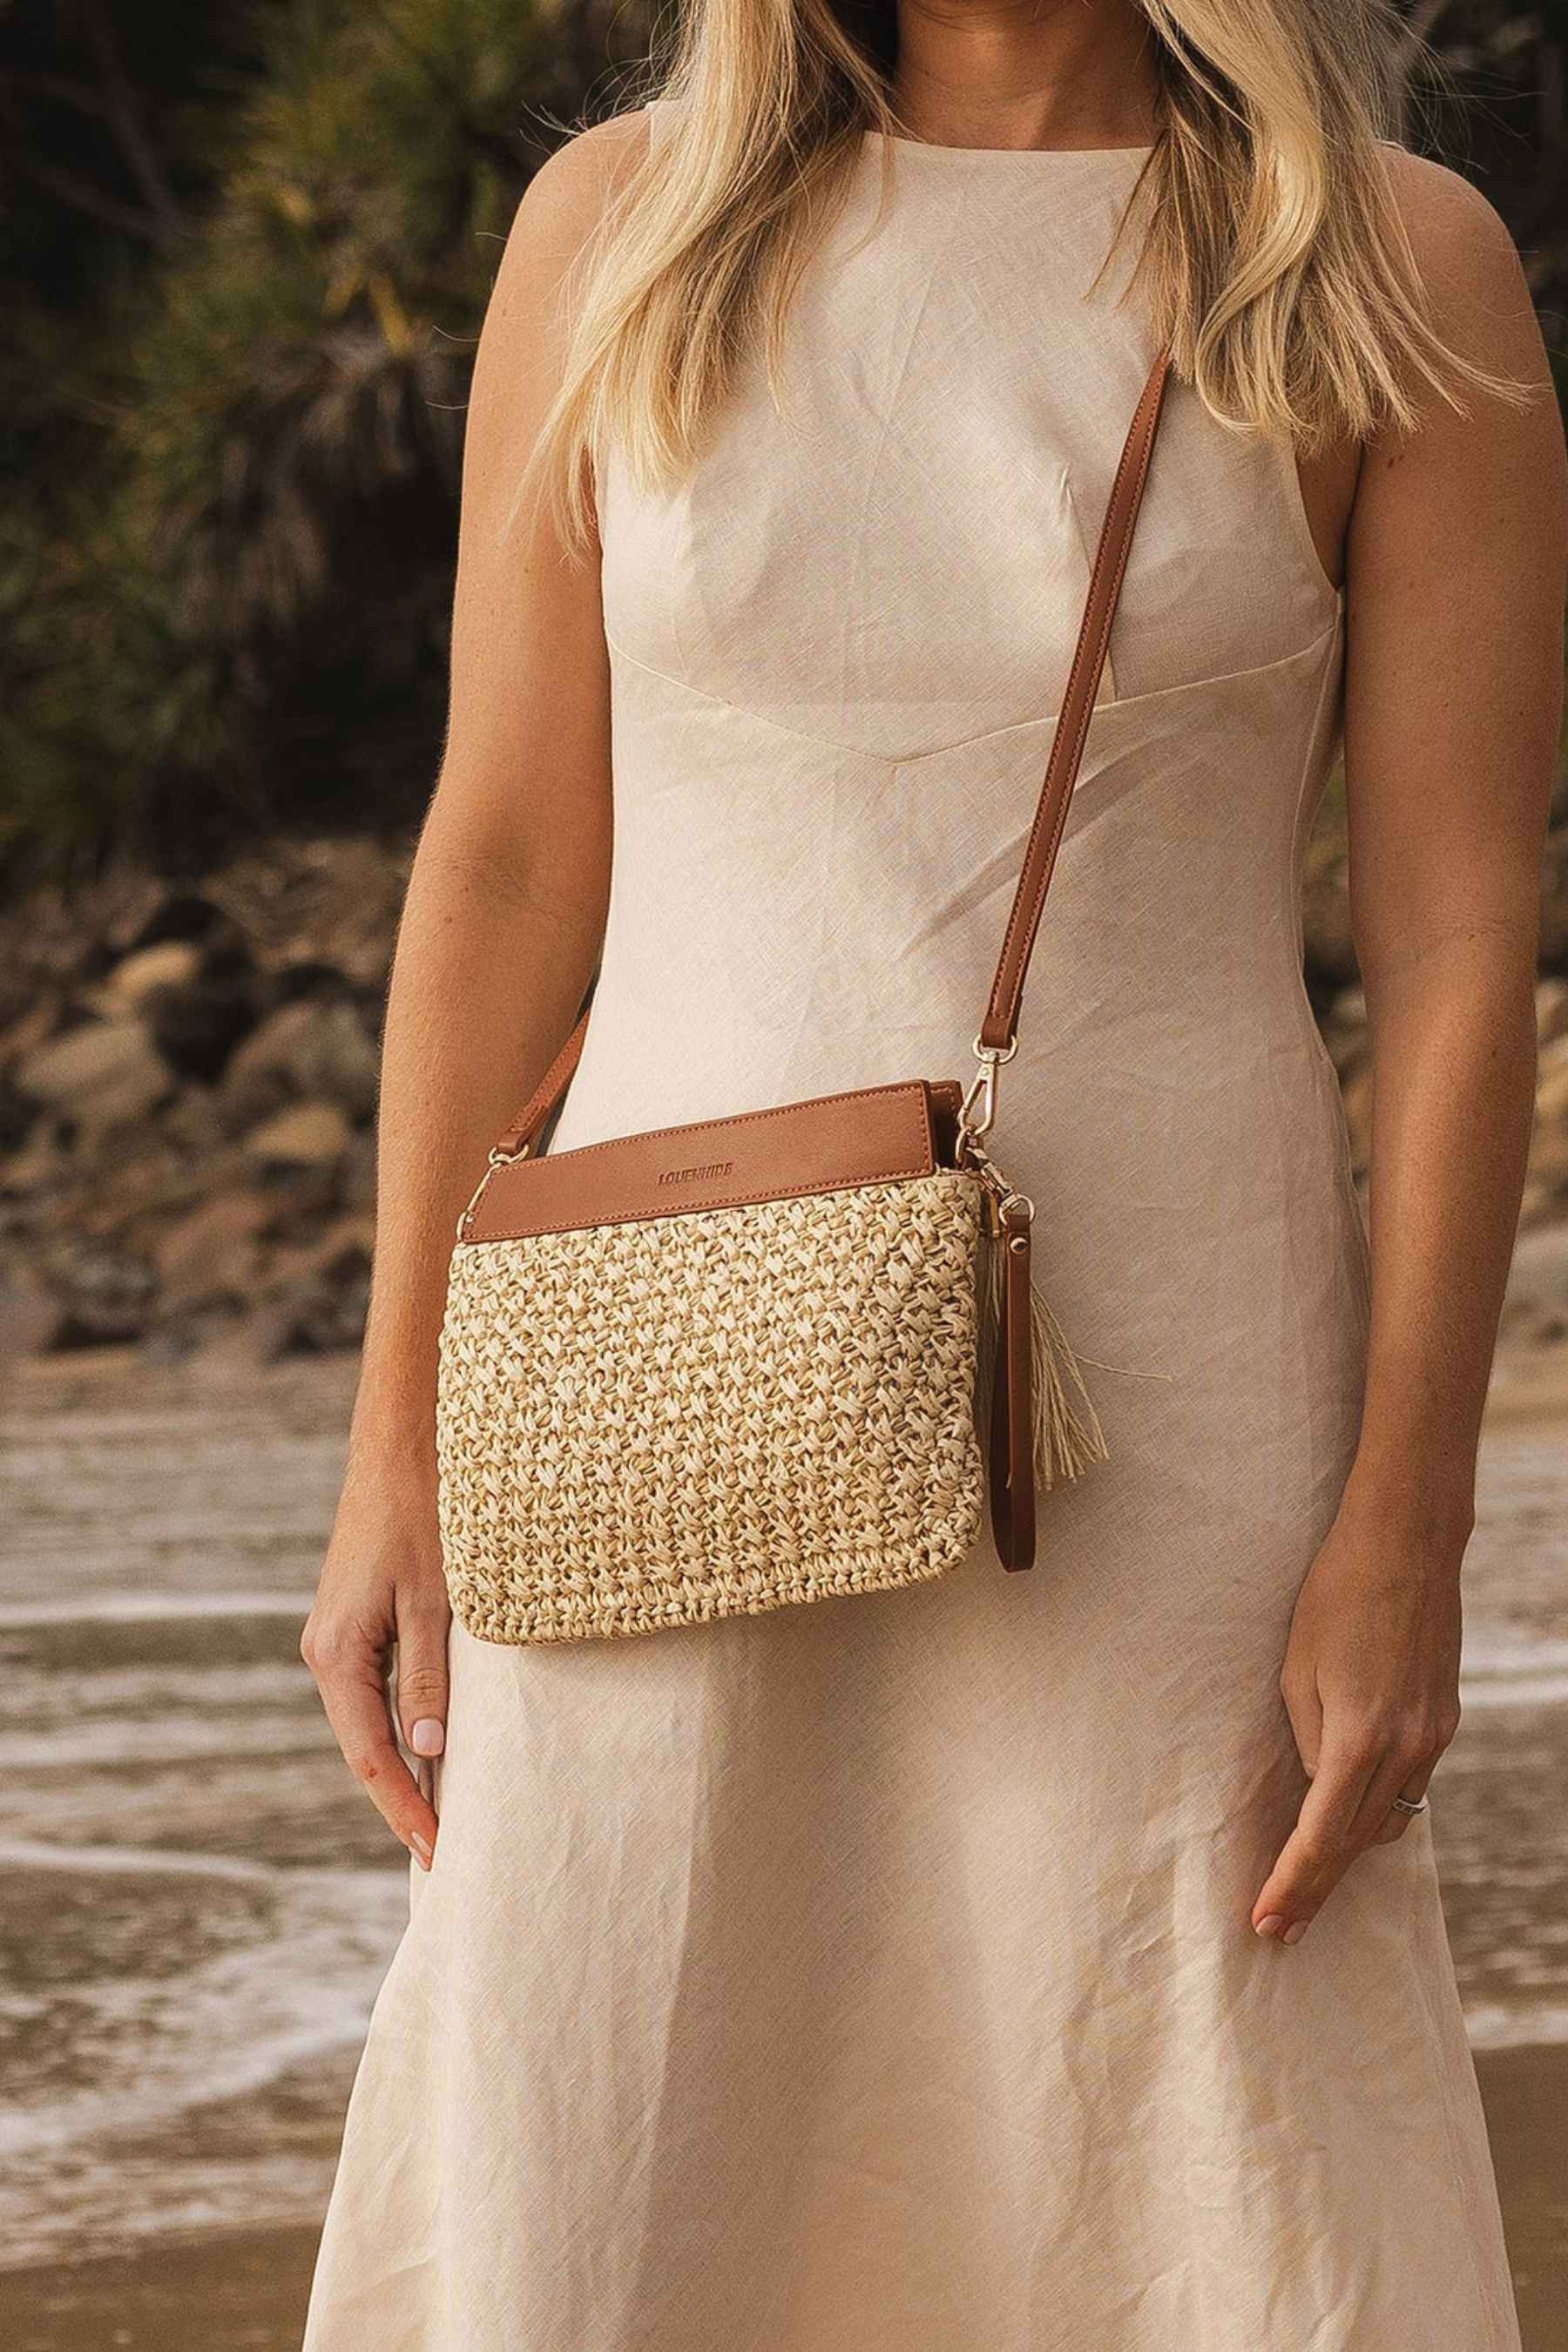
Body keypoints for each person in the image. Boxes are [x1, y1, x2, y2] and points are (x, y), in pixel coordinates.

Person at [298, 0, 1566, 2342]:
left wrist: (1413, 1515)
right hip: (644, 1369)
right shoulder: (624, 227)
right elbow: (502, 864)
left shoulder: (1379, 257)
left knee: (1167, 2115)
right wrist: (396, 1443)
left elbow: (1462, 939)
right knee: (634, 2092)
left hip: (1173, 1391)